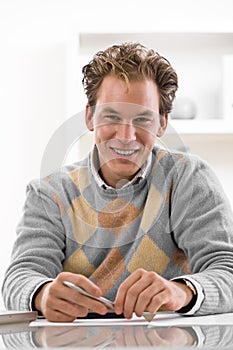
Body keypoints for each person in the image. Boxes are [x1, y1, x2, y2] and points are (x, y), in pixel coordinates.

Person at [2, 42, 233, 322]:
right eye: (112, 116)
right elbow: (20, 276)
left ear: (162, 123)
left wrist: (179, 292)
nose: (126, 135)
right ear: (90, 116)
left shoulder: (187, 179)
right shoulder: (49, 192)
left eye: (143, 119)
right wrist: (42, 293)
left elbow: (226, 270)